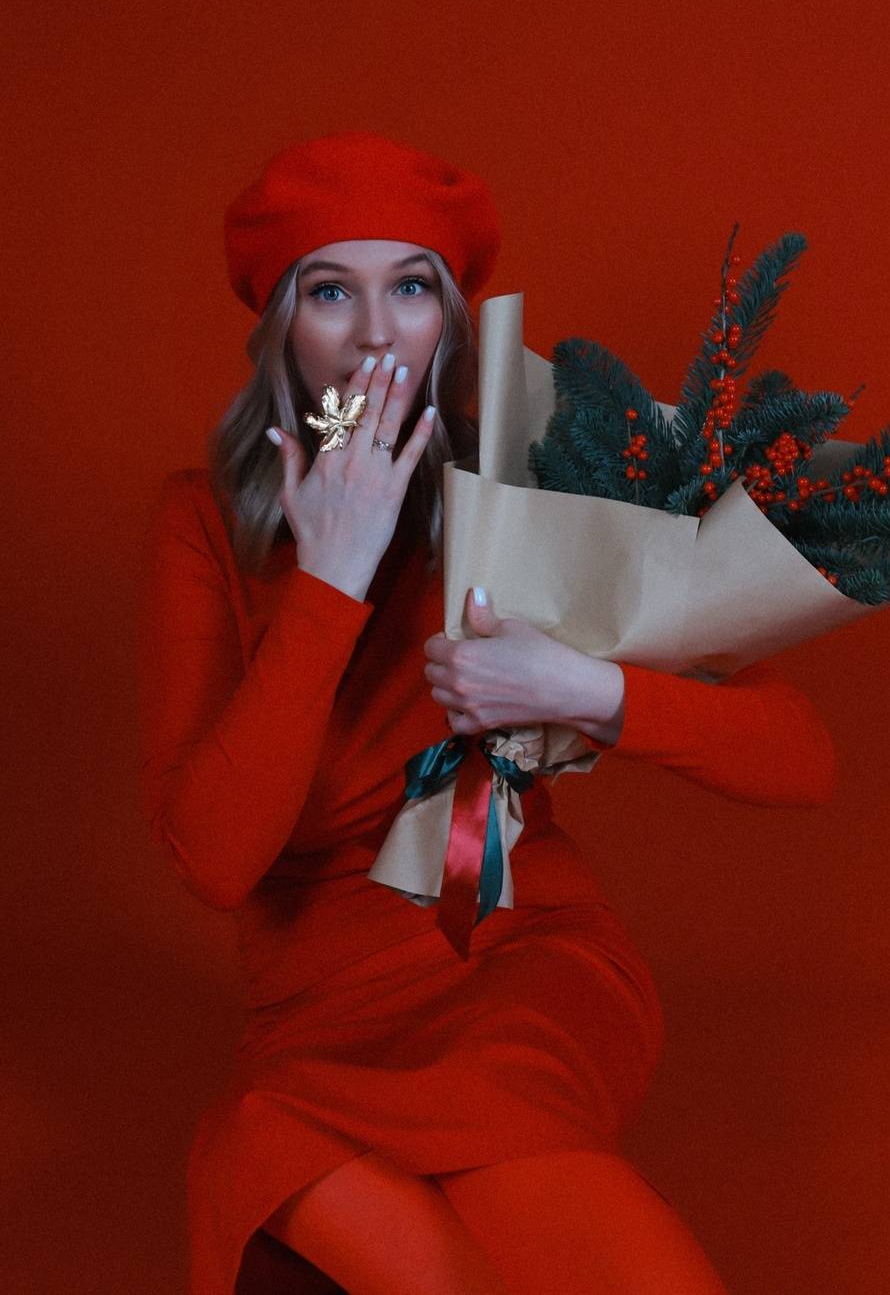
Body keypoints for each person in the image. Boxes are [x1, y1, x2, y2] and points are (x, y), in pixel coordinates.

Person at [136, 130, 837, 1295]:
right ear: (281, 327)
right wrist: (329, 581)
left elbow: (798, 756)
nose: (374, 333)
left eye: (410, 288)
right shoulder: (202, 521)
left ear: (451, 322)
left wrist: (582, 692)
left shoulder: (532, 481)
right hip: (314, 1009)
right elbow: (213, 858)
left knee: (451, 1134)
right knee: (268, 1150)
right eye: (330, 291)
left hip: (518, 952)